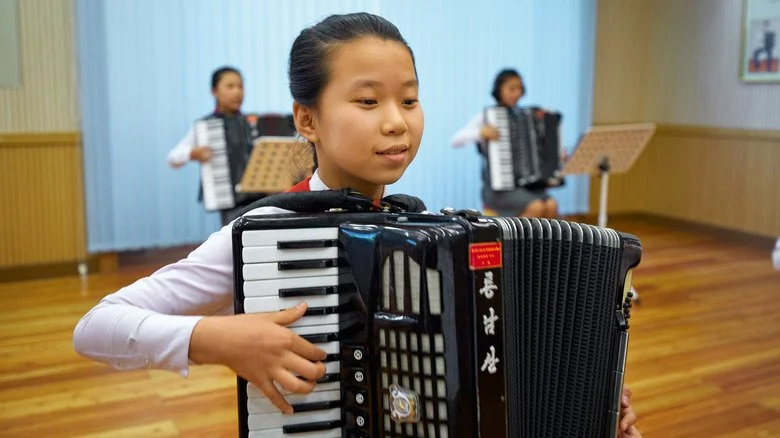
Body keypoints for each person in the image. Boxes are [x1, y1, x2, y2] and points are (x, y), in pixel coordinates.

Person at [73, 13, 641, 436]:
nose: (398, 122)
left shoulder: (432, 234)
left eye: (410, 99)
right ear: (307, 119)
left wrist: (590, 398)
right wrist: (215, 338)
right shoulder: (269, 234)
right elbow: (96, 327)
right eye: (368, 102)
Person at [451, 68, 561, 219]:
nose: (516, 93)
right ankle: (516, 241)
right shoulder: (487, 117)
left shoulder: (528, 116)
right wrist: (480, 133)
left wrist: (554, 157)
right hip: (498, 191)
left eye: (519, 89)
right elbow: (456, 140)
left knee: (551, 205)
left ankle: (542, 243)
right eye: (511, 88)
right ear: (499, 89)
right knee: (536, 207)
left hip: (526, 187)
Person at [167, 66, 261, 225]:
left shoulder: (254, 122)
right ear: (214, 91)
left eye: (240, 86)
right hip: (230, 202)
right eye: (230, 86)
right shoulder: (206, 126)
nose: (237, 92)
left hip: (262, 199)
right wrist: (192, 153)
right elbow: (173, 158)